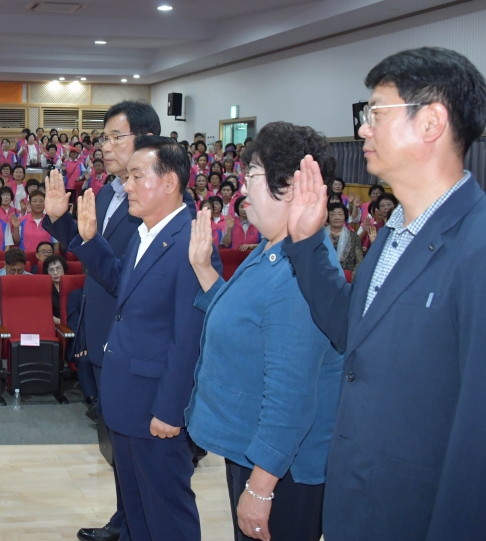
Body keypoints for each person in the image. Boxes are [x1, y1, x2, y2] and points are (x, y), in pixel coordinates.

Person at [283, 47, 486, 541]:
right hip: (360, 501)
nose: (362, 129)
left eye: (375, 114)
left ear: (431, 121)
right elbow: (354, 332)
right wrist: (307, 245)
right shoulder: (395, 232)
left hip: (421, 514)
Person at [185, 123, 344, 541]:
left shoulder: (299, 272)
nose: (243, 189)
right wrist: (205, 272)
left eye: (251, 176)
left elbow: (291, 396)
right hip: (253, 449)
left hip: (281, 469)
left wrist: (260, 487)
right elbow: (248, 321)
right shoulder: (275, 248)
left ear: (290, 187)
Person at [68, 135, 215, 541]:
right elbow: (120, 284)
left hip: (157, 411)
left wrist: (170, 410)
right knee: (135, 510)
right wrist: (90, 239)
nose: (126, 185)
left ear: (169, 182)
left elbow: (190, 339)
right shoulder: (145, 232)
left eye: (136, 176)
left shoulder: (191, 244)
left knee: (167, 515)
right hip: (126, 401)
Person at [0, 247, 28, 326]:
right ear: (5, 266)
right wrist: (3, 330)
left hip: (25, 322)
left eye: (20, 271)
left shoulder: (31, 279)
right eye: (12, 271)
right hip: (2, 324)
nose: (16, 275)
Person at [325, 203, 364, 276]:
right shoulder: (322, 236)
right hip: (326, 275)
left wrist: (353, 278)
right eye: (332, 215)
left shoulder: (353, 236)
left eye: (340, 214)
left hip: (348, 278)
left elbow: (359, 261)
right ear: (327, 217)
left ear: (345, 216)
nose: (337, 217)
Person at [44, 254, 67, 324]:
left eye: (58, 268)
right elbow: (45, 312)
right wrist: (62, 322)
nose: (55, 273)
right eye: (51, 270)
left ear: (64, 268)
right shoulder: (44, 289)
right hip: (54, 324)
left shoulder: (73, 286)